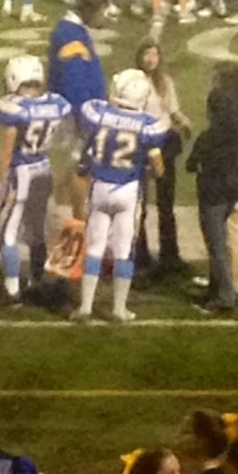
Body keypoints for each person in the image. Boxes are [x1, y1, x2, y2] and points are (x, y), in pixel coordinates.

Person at [73, 69, 167, 322]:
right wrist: (148, 167)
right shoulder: (148, 125)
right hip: (127, 191)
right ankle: (118, 309)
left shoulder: (98, 114)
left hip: (100, 187)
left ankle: (85, 307)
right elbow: (159, 168)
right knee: (124, 251)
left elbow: (87, 149)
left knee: (94, 250)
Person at [0, 55, 71, 306]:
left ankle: (12, 291)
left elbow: (7, 148)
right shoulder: (55, 104)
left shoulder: (15, 109)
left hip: (21, 173)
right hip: (43, 169)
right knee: (36, 231)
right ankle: (37, 280)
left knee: (7, 233)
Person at [186, 62, 238, 314]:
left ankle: (225, 295)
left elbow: (190, 164)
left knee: (217, 246)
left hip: (213, 194)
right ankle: (218, 288)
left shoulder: (208, 139)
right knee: (227, 239)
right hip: (236, 188)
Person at [48, 0, 109, 219]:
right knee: (80, 165)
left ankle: (56, 202)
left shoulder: (72, 31)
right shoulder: (70, 36)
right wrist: (85, 116)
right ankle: (78, 217)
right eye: (102, 12)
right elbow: (73, 82)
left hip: (80, 110)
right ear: (90, 11)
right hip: (78, 114)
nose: (104, 17)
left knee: (75, 164)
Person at [134, 38, 191, 274]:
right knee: (140, 204)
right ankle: (140, 254)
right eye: (146, 54)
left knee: (166, 203)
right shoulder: (131, 83)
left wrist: (184, 122)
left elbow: (172, 110)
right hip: (140, 145)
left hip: (164, 143)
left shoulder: (165, 82)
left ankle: (170, 254)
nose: (150, 59)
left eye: (154, 54)